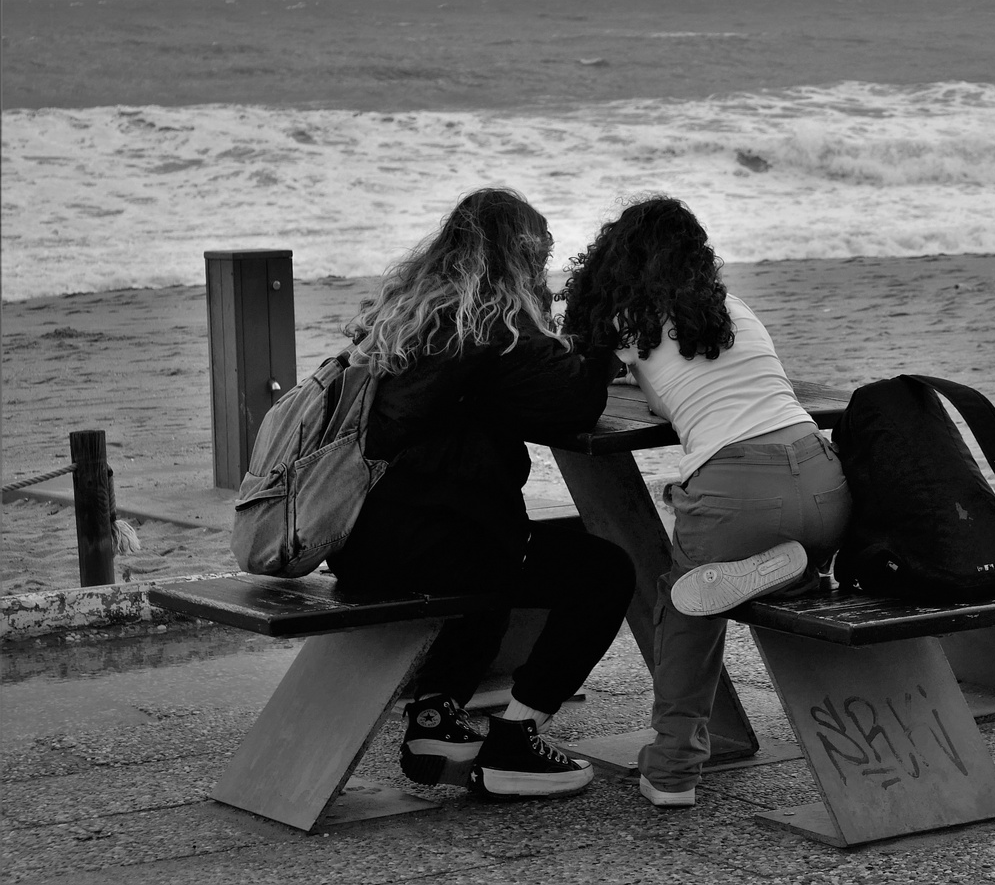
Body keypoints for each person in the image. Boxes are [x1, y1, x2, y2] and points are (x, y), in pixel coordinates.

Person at [329, 188, 634, 800]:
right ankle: (514, 742)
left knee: (502, 546)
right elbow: (571, 402)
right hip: (434, 543)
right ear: (520, 257)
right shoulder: (497, 322)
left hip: (356, 536)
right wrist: (599, 347)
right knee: (603, 570)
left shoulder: (401, 313)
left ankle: (437, 717)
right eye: (541, 259)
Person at [563, 196, 851, 808]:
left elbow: (580, 390)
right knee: (732, 563)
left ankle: (672, 770)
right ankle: (793, 573)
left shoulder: (629, 320)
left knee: (686, 607)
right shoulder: (733, 310)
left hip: (737, 493)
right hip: (826, 482)